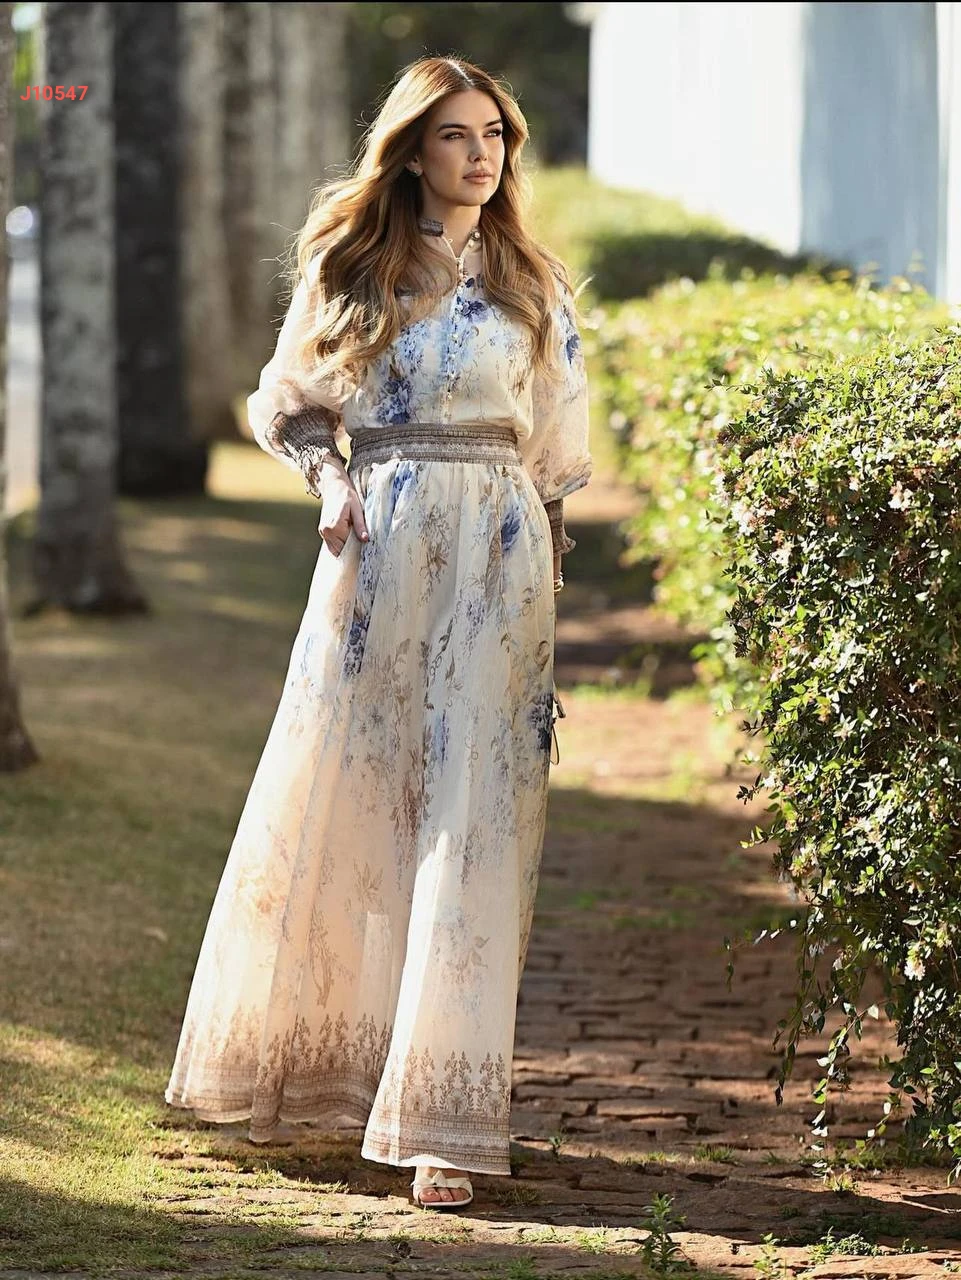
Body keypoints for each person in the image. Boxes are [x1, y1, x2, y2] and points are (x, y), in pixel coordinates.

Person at [165, 55, 591, 1211]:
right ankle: (327, 1076)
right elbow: (287, 398)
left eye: (493, 134)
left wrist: (545, 556)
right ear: (410, 151)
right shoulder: (350, 265)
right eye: (455, 134)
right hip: (379, 543)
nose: (480, 154)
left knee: (472, 820)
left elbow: (556, 445)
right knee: (355, 798)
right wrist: (328, 480)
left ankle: (442, 1124)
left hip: (499, 556)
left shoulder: (533, 279)